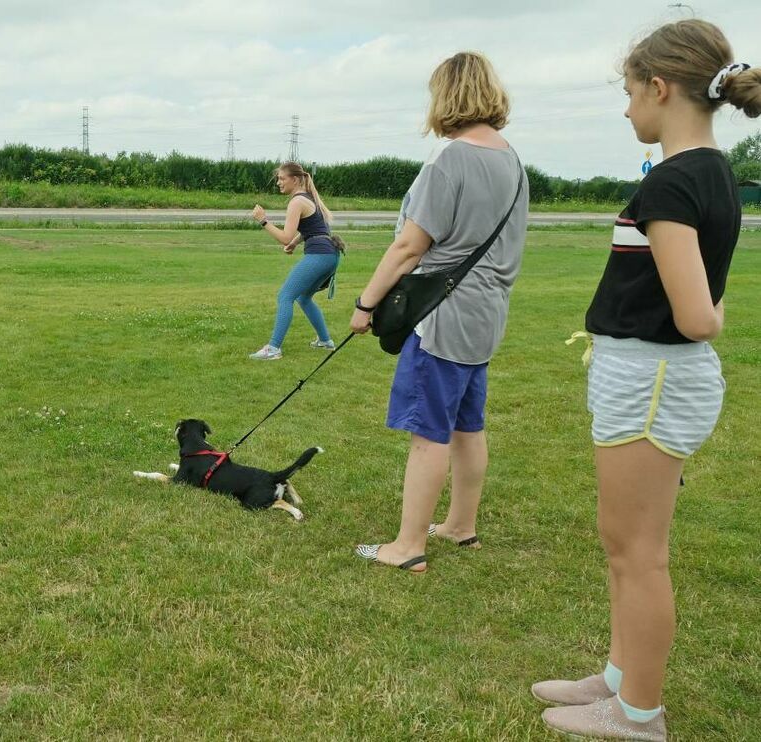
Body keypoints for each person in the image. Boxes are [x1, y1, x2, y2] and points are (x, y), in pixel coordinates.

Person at [534, 20, 758, 741]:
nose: (628, 108)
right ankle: (619, 677)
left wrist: (698, 325)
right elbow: (706, 292)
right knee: (622, 543)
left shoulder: (671, 181)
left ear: (659, 89)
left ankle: (638, 714)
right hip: (652, 375)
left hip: (655, 377)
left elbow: (700, 315)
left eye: (631, 93)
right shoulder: (711, 173)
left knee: (639, 553)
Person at [348, 52, 529, 572]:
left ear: (446, 96)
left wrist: (366, 303)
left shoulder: (450, 159)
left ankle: (407, 548)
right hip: (487, 315)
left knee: (430, 433)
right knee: (467, 427)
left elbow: (410, 246)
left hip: (444, 319)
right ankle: (460, 524)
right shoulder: (511, 159)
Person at [248, 162, 343, 360]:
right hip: (330, 255)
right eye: (278, 179)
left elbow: (284, 235)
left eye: (282, 178)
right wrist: (294, 243)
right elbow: (315, 228)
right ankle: (325, 341)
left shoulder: (297, 201)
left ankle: (273, 348)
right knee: (303, 298)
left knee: (285, 296)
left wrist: (263, 220)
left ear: (295, 179)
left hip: (320, 255)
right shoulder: (308, 198)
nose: (278, 183)